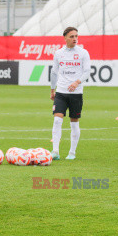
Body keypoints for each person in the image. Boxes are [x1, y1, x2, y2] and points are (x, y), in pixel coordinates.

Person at [50, 27, 91, 160]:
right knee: (57, 120)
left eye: (76, 36)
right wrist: (52, 89)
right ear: (65, 38)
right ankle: (55, 151)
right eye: (72, 36)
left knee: (74, 123)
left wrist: (77, 82)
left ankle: (72, 152)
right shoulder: (58, 53)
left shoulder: (83, 53)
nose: (75, 39)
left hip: (76, 93)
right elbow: (54, 72)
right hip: (61, 92)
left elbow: (87, 72)